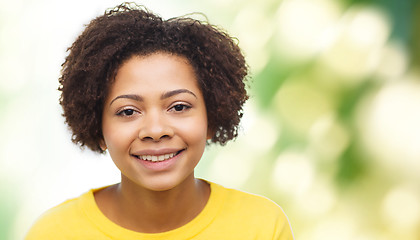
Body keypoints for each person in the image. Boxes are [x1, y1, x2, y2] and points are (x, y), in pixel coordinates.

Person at [25, 2, 294, 239]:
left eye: (178, 106)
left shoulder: (262, 226)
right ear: (98, 128)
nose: (155, 130)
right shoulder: (54, 233)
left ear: (211, 118)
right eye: (128, 111)